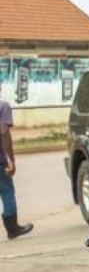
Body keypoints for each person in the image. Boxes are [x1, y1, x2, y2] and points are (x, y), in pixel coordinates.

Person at [1, 84, 32, 240]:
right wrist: (10, 160)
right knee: (7, 191)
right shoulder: (3, 106)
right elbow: (4, 133)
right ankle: (12, 228)